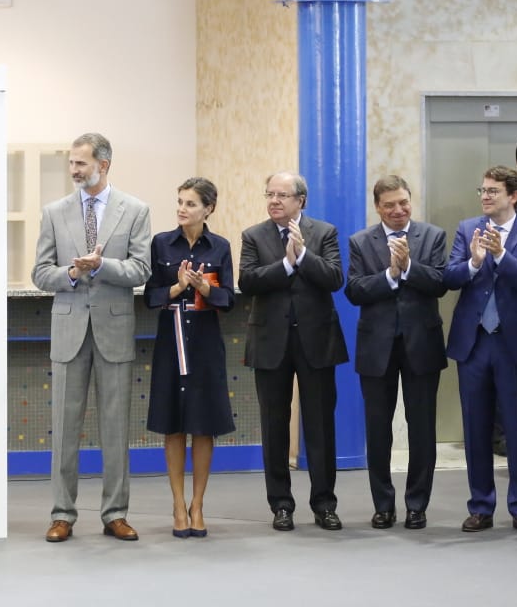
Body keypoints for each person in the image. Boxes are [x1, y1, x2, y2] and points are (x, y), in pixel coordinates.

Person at [31, 133, 151, 543]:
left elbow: (140, 271)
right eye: (71, 163)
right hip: (68, 330)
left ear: (104, 165)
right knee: (64, 427)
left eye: (81, 164)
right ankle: (62, 514)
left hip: (114, 331)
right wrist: (71, 273)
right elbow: (40, 272)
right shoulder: (53, 212)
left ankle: (115, 513)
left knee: (116, 428)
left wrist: (101, 268)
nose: (74, 171)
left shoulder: (135, 210)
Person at [240, 171, 347, 531]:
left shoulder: (324, 232)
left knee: (320, 425)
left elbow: (334, 278)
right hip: (271, 342)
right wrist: (286, 265)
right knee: (274, 425)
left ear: (300, 200)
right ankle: (281, 505)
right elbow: (248, 280)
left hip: (317, 341)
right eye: (269, 194)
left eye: (282, 195)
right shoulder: (254, 235)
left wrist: (302, 257)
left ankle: (324, 504)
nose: (274, 201)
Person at [444, 166, 517, 533]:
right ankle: (480, 506)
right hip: (474, 342)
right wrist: (473, 261)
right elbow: (449, 277)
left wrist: (502, 255)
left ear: (513, 196)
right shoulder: (467, 227)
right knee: (475, 426)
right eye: (482, 190)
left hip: (513, 342)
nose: (485, 196)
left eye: (492, 191)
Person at [345, 176, 448, 530]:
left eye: (403, 202)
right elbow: (355, 290)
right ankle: (383, 504)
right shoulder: (360, 241)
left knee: (422, 429)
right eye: (389, 205)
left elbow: (439, 282)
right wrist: (390, 274)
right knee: (378, 430)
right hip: (377, 347)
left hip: (422, 344)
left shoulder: (432, 236)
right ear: (378, 207)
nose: (398, 210)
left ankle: (417, 504)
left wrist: (408, 268)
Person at [143, 177, 234, 539]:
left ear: (208, 208)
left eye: (191, 203)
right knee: (174, 424)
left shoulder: (221, 246)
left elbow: (228, 300)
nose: (182, 209)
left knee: (203, 424)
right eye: (179, 202)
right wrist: (178, 287)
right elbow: (150, 296)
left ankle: (198, 504)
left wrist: (203, 287)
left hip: (206, 344)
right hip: (171, 343)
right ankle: (178, 504)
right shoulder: (161, 243)